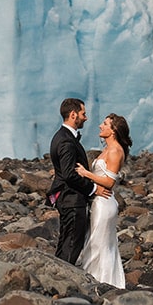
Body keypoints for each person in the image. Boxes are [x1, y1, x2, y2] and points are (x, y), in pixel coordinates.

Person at [75, 112, 131, 288]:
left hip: (105, 202)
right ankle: (97, 280)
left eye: (105, 123)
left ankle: (102, 283)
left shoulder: (115, 150)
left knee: (99, 244)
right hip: (99, 201)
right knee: (97, 242)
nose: (100, 125)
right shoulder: (108, 149)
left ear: (113, 130)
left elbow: (109, 182)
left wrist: (86, 173)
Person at [49, 96, 92, 264]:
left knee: (66, 241)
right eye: (83, 113)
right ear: (74, 115)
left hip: (67, 198)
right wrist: (92, 189)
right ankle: (61, 281)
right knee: (72, 243)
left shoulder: (61, 136)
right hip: (71, 198)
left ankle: (56, 275)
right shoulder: (66, 140)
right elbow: (69, 174)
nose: (86, 118)